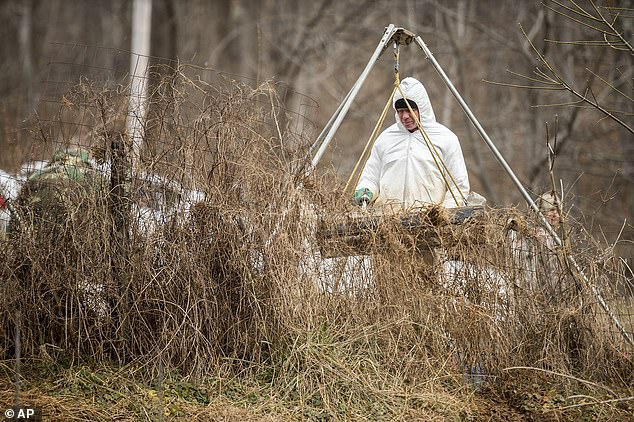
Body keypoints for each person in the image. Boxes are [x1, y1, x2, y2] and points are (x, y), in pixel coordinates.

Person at [353, 77, 470, 209]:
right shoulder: (385, 139)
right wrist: (365, 190)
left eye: (410, 110)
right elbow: (370, 177)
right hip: (388, 222)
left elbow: (459, 186)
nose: (405, 116)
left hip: (430, 223)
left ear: (422, 108)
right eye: (400, 111)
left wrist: (442, 215)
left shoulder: (445, 138)